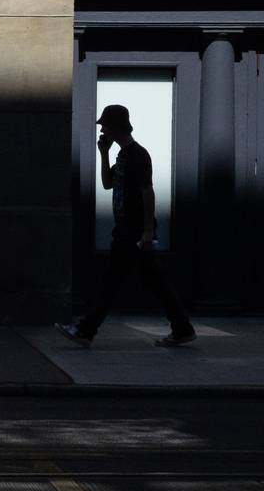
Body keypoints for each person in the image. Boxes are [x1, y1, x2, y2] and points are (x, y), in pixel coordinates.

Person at [57, 104, 197, 348]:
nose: (103, 131)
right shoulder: (122, 155)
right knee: (154, 281)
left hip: (133, 231)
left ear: (116, 126)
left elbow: (148, 191)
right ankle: (182, 328)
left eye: (105, 126)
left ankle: (85, 330)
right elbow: (107, 183)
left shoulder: (138, 155)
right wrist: (104, 154)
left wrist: (148, 230)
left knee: (113, 282)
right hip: (126, 229)